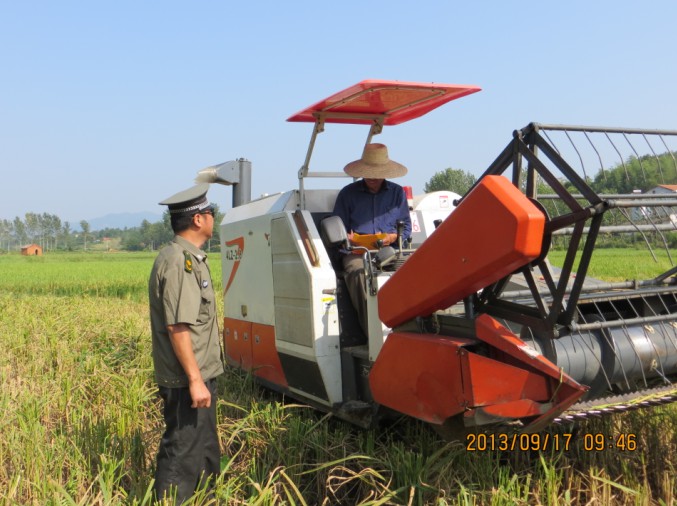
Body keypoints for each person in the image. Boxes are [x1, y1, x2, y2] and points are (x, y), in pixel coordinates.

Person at [148, 183, 224, 503]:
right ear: (197, 220)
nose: (212, 219)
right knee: (181, 453)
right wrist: (194, 381)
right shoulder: (181, 262)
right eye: (210, 214)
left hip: (199, 374)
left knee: (204, 449)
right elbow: (178, 326)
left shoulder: (189, 257)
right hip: (186, 379)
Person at [332, 143, 412, 336]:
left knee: (413, 270)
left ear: (385, 172)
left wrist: (392, 237)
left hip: (390, 251)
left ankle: (411, 329)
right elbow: (337, 230)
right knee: (357, 271)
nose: (372, 178)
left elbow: (406, 229)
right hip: (357, 252)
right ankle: (373, 334)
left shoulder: (397, 193)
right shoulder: (347, 194)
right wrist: (349, 239)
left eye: (376, 173)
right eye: (368, 172)